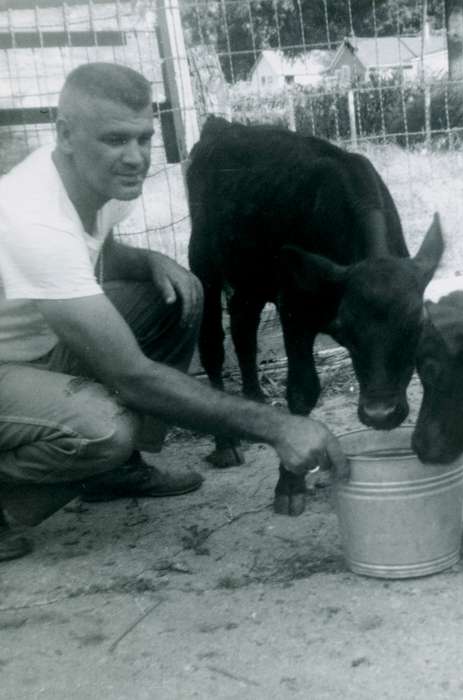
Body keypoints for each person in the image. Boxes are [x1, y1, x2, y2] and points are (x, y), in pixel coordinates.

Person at [0, 62, 347, 562]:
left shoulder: (92, 182)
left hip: (31, 348)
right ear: (66, 135)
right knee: (101, 427)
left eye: (144, 138)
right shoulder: (33, 216)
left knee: (181, 295)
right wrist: (280, 426)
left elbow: (96, 250)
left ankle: (111, 473)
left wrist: (150, 260)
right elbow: (134, 377)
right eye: (116, 139)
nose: (136, 157)